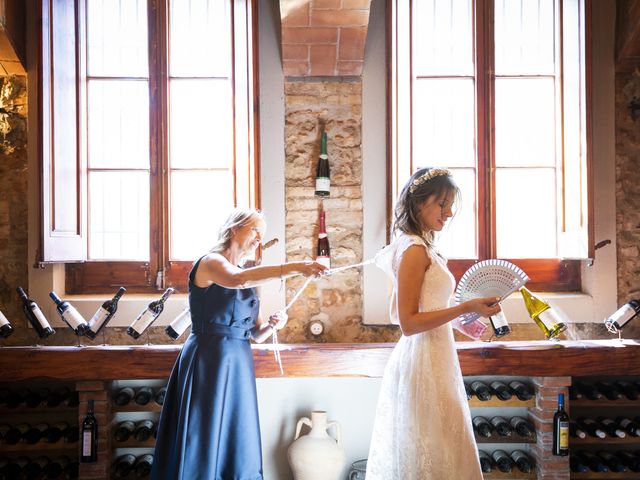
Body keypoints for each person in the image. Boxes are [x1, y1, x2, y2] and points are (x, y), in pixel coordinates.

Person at [151, 208, 326, 480]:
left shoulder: (250, 277)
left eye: (262, 234)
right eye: (255, 230)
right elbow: (235, 280)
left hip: (239, 361)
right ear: (235, 228)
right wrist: (297, 267)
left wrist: (272, 325)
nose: (259, 239)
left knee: (236, 432)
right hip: (209, 359)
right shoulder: (211, 262)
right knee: (204, 430)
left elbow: (255, 334)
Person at [365, 167, 501, 479]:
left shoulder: (422, 246)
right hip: (422, 360)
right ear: (418, 203)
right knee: (429, 448)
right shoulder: (413, 250)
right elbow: (407, 323)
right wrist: (464, 306)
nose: (449, 212)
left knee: (442, 449)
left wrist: (467, 322)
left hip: (436, 357)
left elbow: (422, 308)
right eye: (442, 204)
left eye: (450, 204)